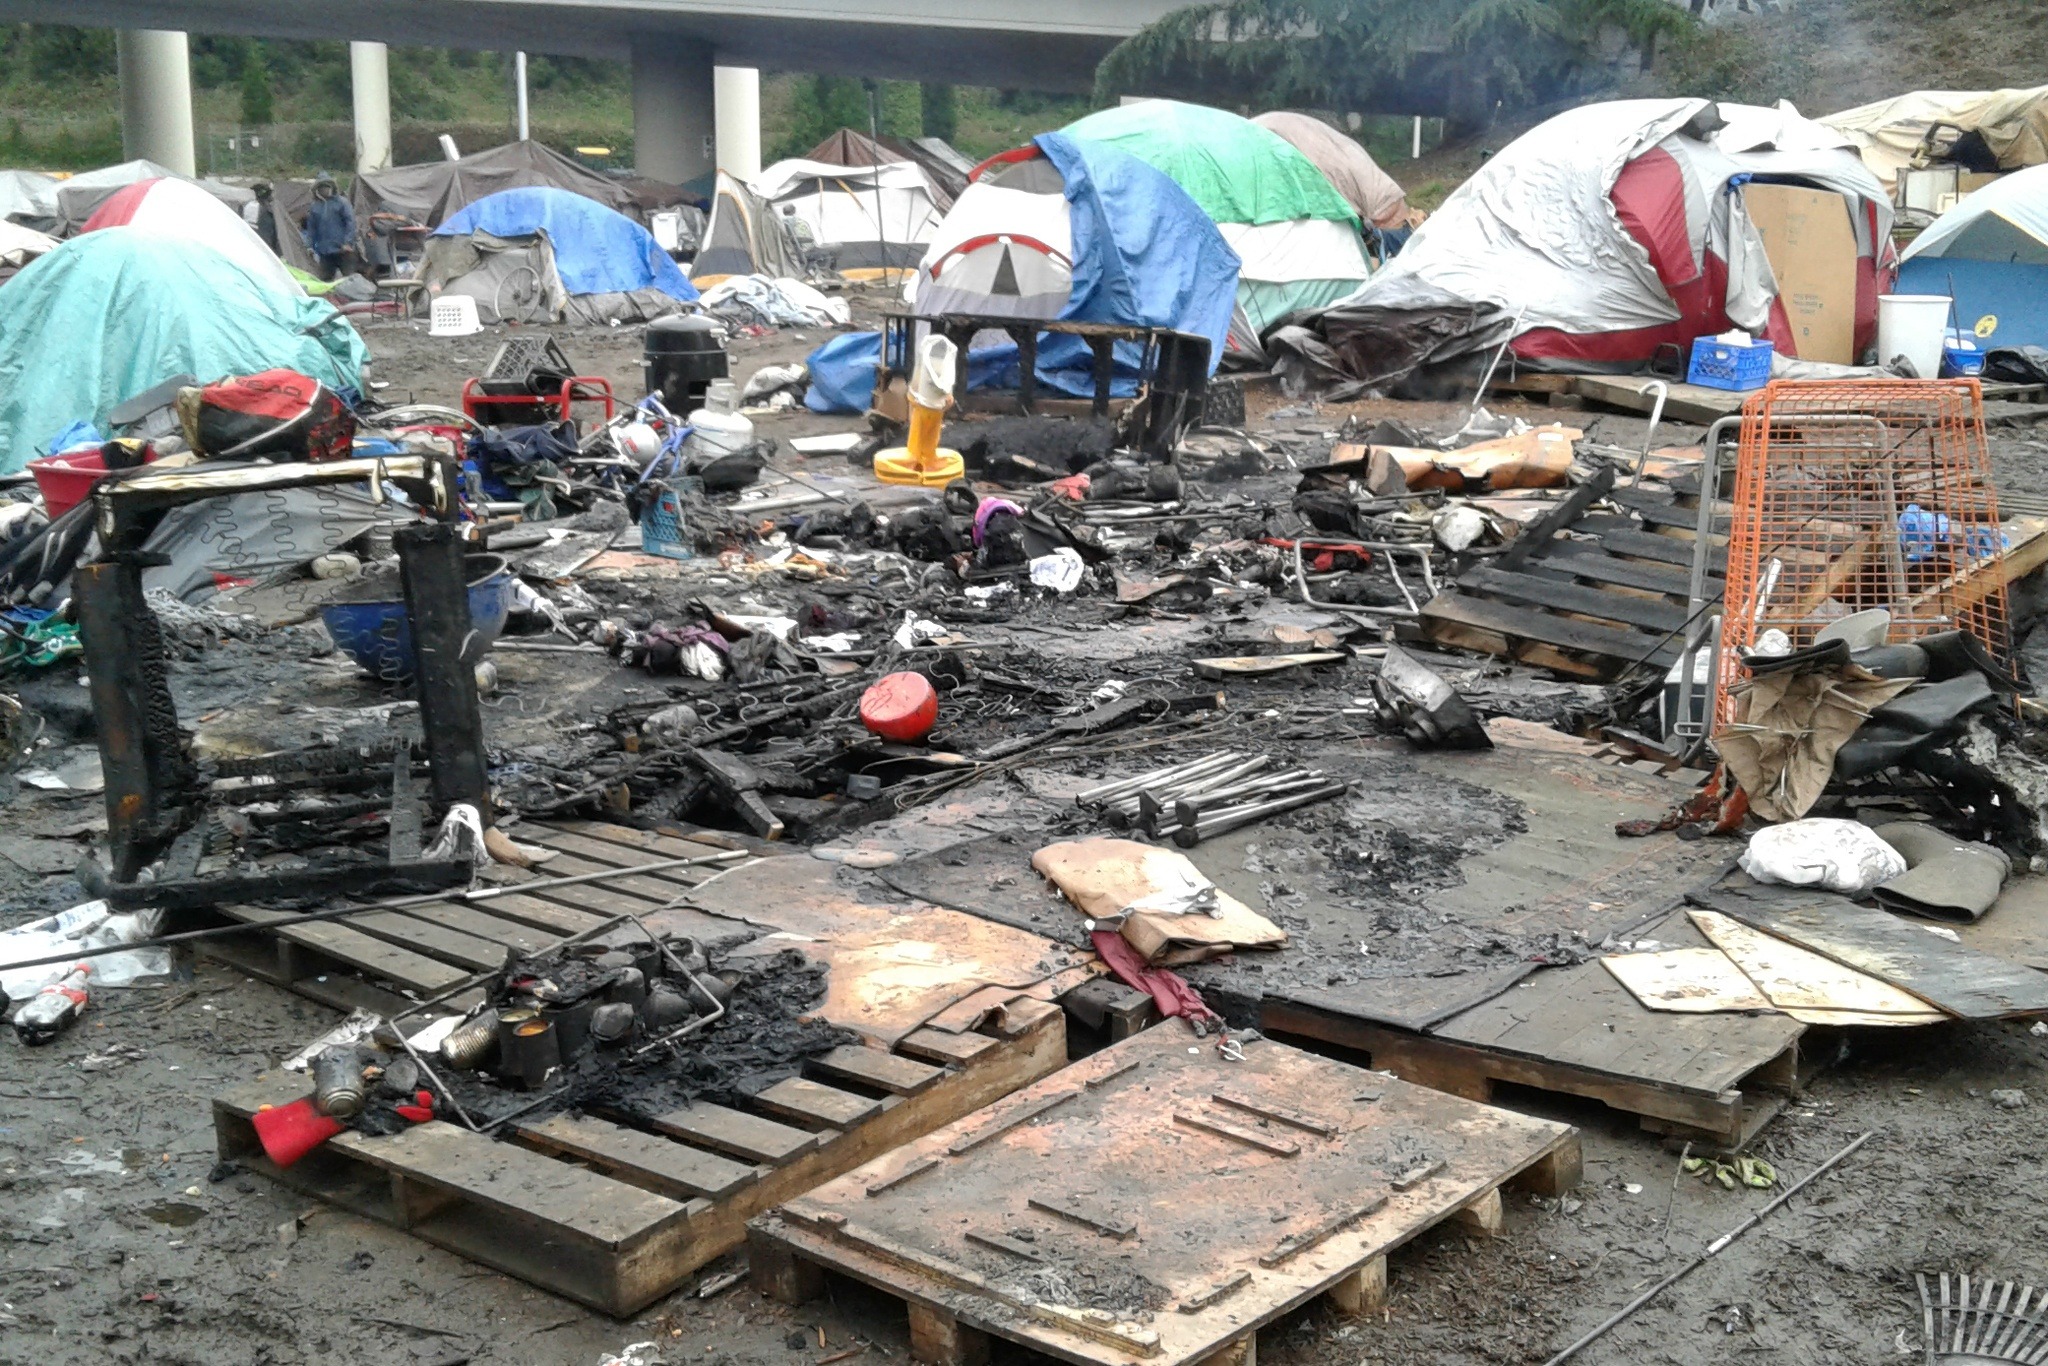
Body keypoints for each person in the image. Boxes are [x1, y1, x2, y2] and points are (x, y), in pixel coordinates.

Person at [300, 175, 356, 280]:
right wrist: (309, 246)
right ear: (317, 190)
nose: (325, 189)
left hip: (343, 250)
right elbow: (311, 228)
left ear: (332, 187)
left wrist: (348, 242)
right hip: (325, 252)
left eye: (327, 186)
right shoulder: (315, 206)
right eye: (322, 187)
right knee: (325, 281)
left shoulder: (342, 203)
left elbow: (350, 223)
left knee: (349, 279)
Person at [243, 181, 280, 255]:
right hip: (264, 247)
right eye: (271, 194)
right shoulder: (266, 211)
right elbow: (269, 234)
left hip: (248, 241)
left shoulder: (248, 206)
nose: (273, 197)